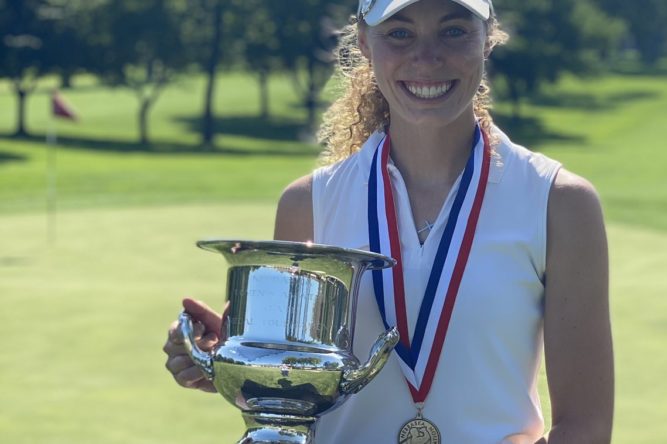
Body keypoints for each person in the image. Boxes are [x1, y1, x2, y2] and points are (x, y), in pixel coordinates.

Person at [163, 0, 614, 442]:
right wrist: (241, 365)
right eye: (400, 33)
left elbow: (585, 427)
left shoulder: (558, 202)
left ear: (487, 39)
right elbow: (291, 399)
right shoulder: (309, 203)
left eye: (453, 30)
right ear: (364, 42)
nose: (427, 57)